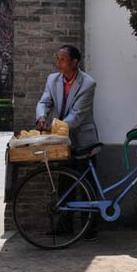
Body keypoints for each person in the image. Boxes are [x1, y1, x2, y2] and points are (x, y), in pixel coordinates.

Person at [36, 45, 99, 240]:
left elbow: (76, 116)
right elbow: (44, 102)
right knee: (65, 182)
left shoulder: (88, 83)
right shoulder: (52, 79)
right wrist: (41, 117)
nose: (58, 63)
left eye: (62, 59)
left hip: (83, 139)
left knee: (88, 183)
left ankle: (90, 229)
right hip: (61, 140)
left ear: (74, 62)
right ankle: (65, 226)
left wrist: (52, 128)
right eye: (58, 59)